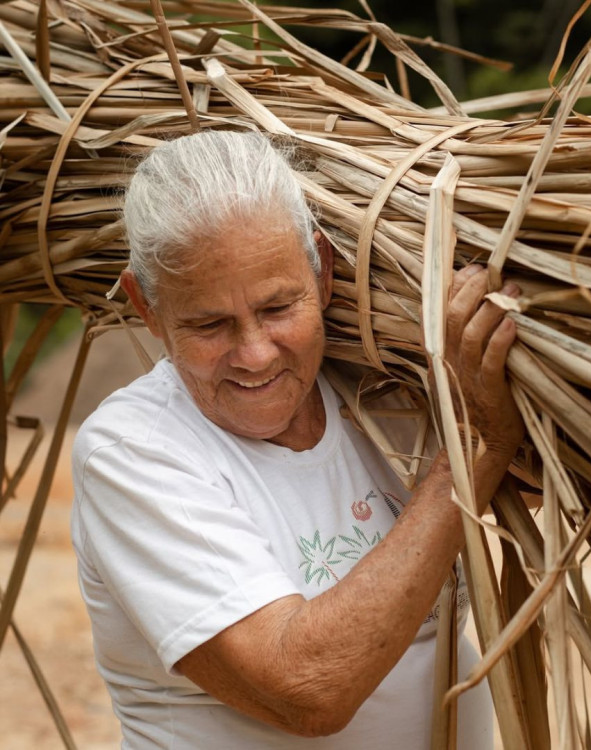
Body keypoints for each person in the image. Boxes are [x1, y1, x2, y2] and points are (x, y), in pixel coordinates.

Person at [70, 130, 524, 748]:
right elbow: (307, 690)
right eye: (209, 324)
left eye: (279, 308)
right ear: (146, 307)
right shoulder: (134, 451)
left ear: (324, 267)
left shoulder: (393, 395)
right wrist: (472, 448)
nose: (254, 355)